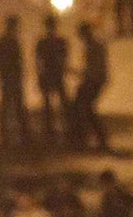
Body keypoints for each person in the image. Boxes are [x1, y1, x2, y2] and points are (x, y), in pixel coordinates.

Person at [69, 23, 109, 153]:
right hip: (95, 80)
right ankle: (94, 138)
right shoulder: (94, 46)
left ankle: (85, 138)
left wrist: (76, 73)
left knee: (83, 107)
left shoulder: (93, 47)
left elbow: (92, 69)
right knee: (85, 108)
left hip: (94, 81)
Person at [0, 15, 29, 147]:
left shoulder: (5, 41)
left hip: (8, 78)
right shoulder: (10, 41)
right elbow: (16, 61)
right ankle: (21, 135)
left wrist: (3, 73)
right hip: (11, 78)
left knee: (8, 106)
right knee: (15, 106)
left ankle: (7, 135)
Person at [34, 16, 70, 144]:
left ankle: (50, 128)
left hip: (49, 75)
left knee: (48, 103)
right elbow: (64, 58)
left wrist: (39, 75)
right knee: (61, 102)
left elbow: (38, 61)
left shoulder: (42, 42)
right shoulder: (60, 41)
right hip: (56, 75)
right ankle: (67, 126)